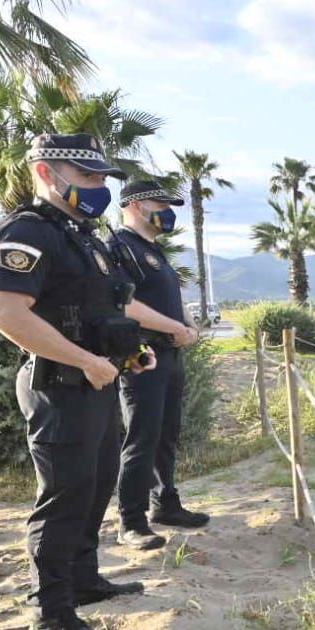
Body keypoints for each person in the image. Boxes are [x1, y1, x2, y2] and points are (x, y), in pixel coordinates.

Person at [0, 134, 199, 630]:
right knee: (62, 499)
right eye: (86, 177)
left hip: (97, 380)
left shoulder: (84, 238)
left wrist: (130, 354)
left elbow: (102, 311)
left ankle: (83, 580)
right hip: (58, 386)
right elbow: (8, 315)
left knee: (96, 485)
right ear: (45, 174)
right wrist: (83, 360)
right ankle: (50, 614)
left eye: (102, 177)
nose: (98, 186)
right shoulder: (28, 232)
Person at [110, 180, 209, 549]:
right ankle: (130, 521)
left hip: (170, 354)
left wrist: (187, 325)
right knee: (142, 437)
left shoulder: (154, 250)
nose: (168, 211)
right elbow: (123, 304)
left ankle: (165, 504)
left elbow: (171, 296)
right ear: (135, 205)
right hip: (141, 356)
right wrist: (173, 328)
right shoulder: (118, 247)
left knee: (167, 434)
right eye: (160, 203)